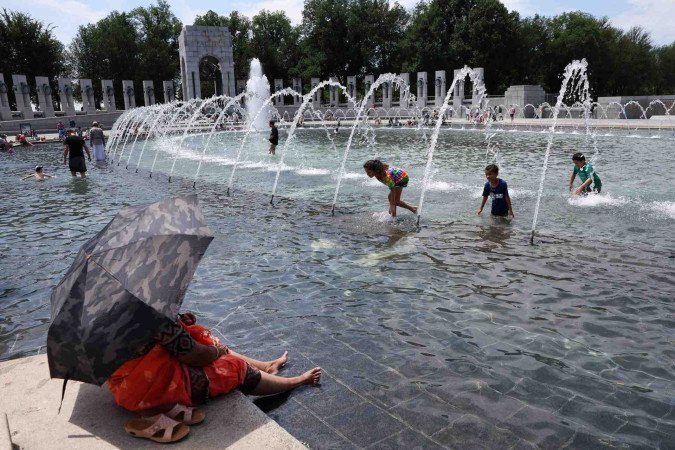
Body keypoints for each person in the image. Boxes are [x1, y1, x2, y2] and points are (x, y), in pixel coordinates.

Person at [107, 312, 321, 424]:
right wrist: (217, 351)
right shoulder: (155, 316)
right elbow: (195, 356)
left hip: (125, 386)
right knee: (234, 366)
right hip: (152, 389)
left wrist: (181, 322)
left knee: (199, 336)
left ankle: (267, 366)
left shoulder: (112, 314)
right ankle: (296, 381)